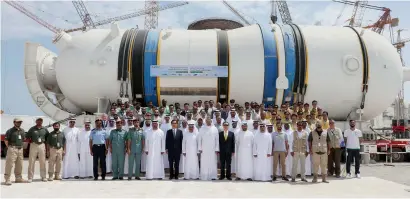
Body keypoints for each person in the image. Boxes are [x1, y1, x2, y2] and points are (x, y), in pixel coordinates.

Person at [3, 118, 28, 185]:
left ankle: (18, 178)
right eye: (17, 122)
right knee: (9, 164)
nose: (19, 123)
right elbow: (6, 140)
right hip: (12, 148)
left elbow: (23, 140)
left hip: (20, 149)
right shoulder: (10, 131)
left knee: (20, 164)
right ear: (14, 122)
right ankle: (7, 179)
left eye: (20, 122)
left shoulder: (22, 131)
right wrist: (10, 148)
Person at [26, 117, 49, 182]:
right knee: (31, 161)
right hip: (33, 145)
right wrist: (30, 142)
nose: (39, 122)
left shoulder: (45, 129)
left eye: (41, 121)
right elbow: (27, 137)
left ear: (42, 122)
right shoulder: (32, 129)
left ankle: (43, 177)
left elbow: (47, 138)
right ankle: (30, 177)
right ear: (36, 121)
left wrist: (47, 148)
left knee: (42, 161)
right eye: (38, 121)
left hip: (42, 145)